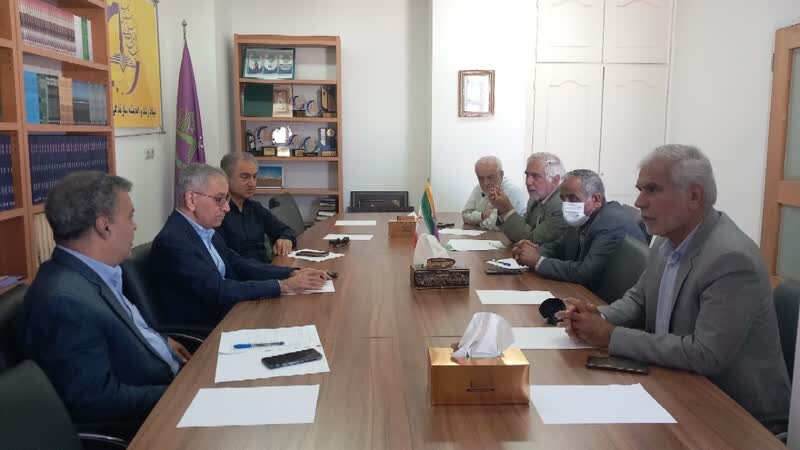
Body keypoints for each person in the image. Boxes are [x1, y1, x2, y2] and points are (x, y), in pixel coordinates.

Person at [557, 145, 790, 427]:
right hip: (677, 385)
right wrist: (596, 316)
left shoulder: (731, 258)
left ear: (694, 196)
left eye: (652, 190)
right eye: (640, 189)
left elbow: (705, 354)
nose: (639, 202)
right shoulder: (666, 241)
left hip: (737, 415)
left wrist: (609, 335)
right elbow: (638, 300)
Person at [21, 171, 189, 426]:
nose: (134, 226)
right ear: (104, 226)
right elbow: (95, 400)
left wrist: (161, 343)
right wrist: (183, 395)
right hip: (152, 420)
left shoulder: (92, 271)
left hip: (173, 381)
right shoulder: (64, 301)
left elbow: (118, 331)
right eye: (130, 216)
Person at [150, 163, 328, 328]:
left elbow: (238, 263)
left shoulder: (203, 230)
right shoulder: (174, 242)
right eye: (219, 199)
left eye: (226, 199)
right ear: (191, 200)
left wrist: (290, 273)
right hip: (212, 328)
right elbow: (218, 290)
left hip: (232, 311)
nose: (226, 208)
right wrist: (283, 286)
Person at [512, 169, 647, 289]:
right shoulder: (584, 217)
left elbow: (584, 272)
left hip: (605, 298)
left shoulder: (610, 223)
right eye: (563, 199)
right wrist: (532, 251)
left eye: (573, 198)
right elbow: (559, 246)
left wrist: (537, 261)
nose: (567, 205)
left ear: (596, 199)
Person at [217, 152, 297, 261]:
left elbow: (286, 230)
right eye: (245, 177)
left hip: (266, 267)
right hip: (241, 270)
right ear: (226, 178)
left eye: (254, 177)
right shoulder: (218, 213)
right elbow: (227, 260)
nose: (252, 183)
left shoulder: (255, 208)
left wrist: (286, 239)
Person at [492, 152, 570, 244]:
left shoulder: (561, 206)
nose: (528, 182)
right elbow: (518, 234)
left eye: (536, 176)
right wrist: (503, 211)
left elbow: (531, 241)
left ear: (554, 180)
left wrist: (507, 210)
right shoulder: (534, 199)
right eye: (527, 175)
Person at [462, 156, 527, 230]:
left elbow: (493, 225)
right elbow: (465, 215)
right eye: (481, 178)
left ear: (501, 174)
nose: (486, 183)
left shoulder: (512, 191)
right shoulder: (478, 188)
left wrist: (476, 221)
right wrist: (482, 215)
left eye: (490, 177)